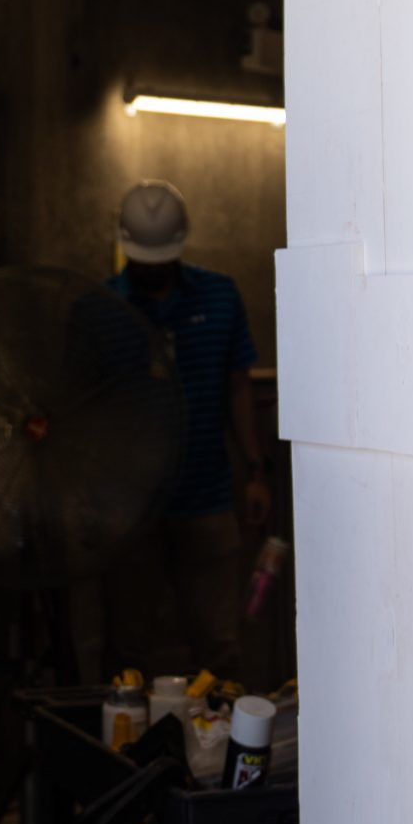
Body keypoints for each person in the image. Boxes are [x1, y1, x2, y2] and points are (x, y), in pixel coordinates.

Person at [99, 179, 273, 682]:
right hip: (130, 509)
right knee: (127, 651)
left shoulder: (219, 296)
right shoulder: (101, 309)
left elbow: (237, 386)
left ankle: (220, 731)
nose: (153, 269)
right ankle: (128, 732)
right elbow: (84, 408)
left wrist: (256, 471)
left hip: (206, 497)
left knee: (218, 645)